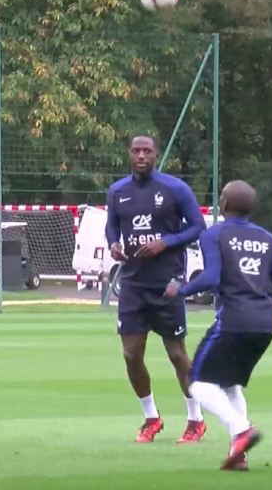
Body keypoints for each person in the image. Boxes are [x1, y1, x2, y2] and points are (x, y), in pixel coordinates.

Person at [165, 180, 272, 471]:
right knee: (230, 383)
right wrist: (262, 307)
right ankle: (239, 454)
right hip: (265, 323)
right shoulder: (268, 238)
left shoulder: (214, 235)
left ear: (224, 205)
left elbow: (211, 277)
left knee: (197, 383)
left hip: (234, 320)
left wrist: (180, 290)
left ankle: (242, 429)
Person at [105, 135, 208, 444]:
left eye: (146, 151)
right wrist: (113, 244)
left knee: (177, 354)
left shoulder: (175, 189)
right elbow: (112, 225)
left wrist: (167, 241)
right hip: (133, 283)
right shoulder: (117, 191)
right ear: (129, 155)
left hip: (169, 283)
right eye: (136, 151)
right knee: (130, 354)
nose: (140, 155)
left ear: (156, 155)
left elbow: (197, 226)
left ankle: (195, 419)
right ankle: (151, 417)